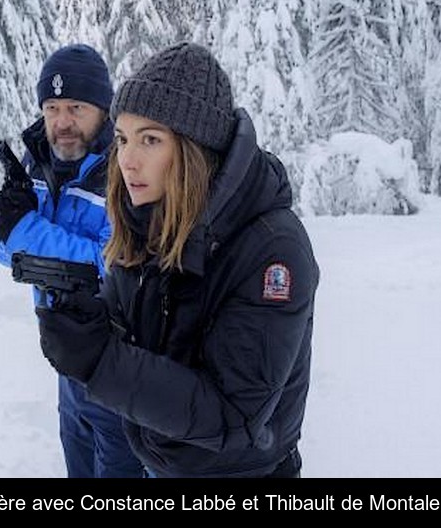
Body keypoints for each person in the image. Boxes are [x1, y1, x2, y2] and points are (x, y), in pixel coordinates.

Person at [35, 42, 319, 478]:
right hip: (160, 466)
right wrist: (91, 319)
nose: (127, 160)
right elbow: (134, 325)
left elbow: (233, 415)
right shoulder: (150, 219)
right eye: (124, 139)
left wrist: (100, 360)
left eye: (150, 139)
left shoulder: (271, 249)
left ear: (194, 148)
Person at [0, 43, 144, 478]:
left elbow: (111, 264)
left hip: (119, 367)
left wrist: (23, 233)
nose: (62, 122)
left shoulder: (126, 171)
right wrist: (13, 228)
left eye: (76, 107)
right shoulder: (40, 165)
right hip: (67, 363)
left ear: (102, 111)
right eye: (52, 107)